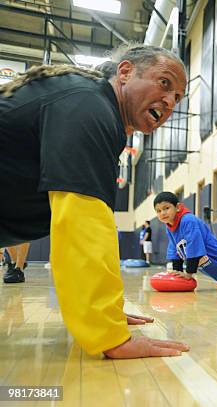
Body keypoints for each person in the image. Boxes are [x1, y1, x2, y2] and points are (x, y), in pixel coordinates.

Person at [0, 43, 190, 358]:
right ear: (126, 72)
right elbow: (83, 225)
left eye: (178, 97)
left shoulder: (94, 106)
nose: (170, 101)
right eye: (165, 83)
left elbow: (93, 227)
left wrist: (111, 312)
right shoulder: (88, 105)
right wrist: (109, 333)